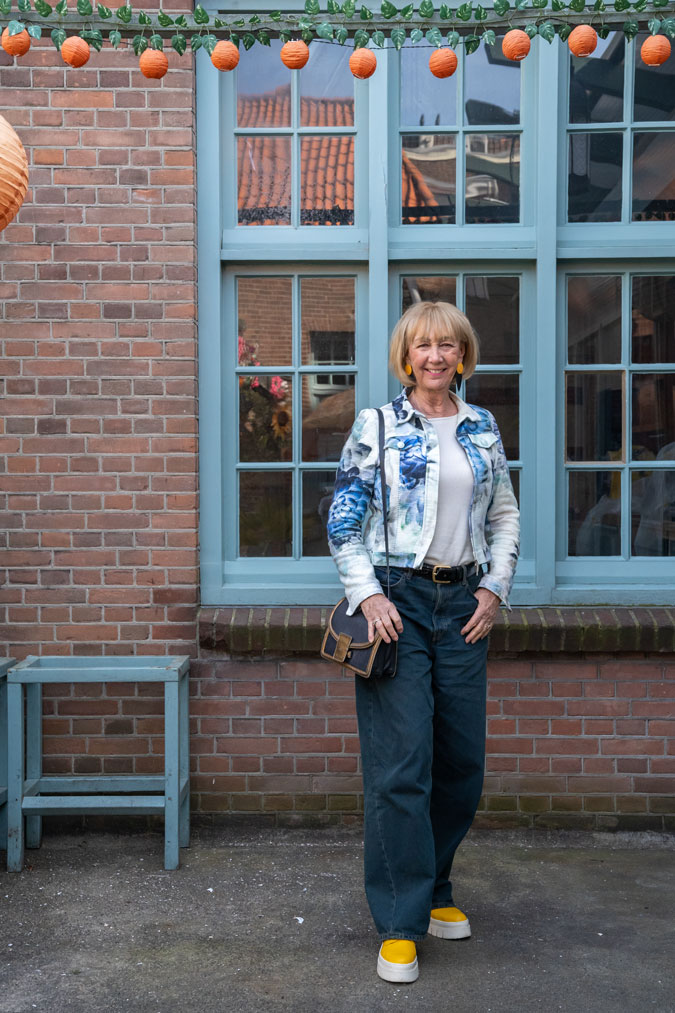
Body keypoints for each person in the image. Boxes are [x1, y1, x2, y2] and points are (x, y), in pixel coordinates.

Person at [327, 301, 520, 984]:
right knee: (402, 766)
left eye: (446, 345)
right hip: (396, 604)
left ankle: (435, 887)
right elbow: (343, 519)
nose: (434, 356)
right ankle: (401, 922)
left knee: (461, 763)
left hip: (463, 604)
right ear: (405, 356)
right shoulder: (377, 424)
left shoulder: (481, 426)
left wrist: (494, 588)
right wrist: (368, 595)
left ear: (462, 355)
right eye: (422, 346)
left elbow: (503, 513)